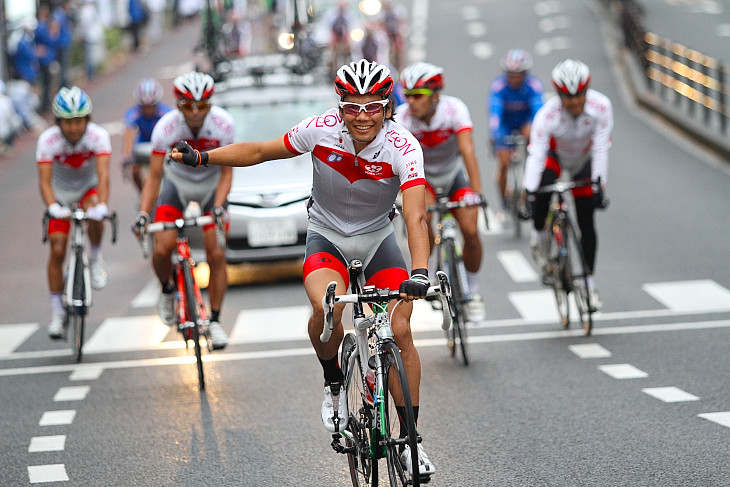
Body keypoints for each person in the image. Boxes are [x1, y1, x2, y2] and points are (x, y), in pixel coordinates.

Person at [169, 59, 437, 478]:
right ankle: (334, 387)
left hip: (378, 240)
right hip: (327, 234)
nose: (362, 116)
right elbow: (259, 151)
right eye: (353, 106)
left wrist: (419, 272)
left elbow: (416, 217)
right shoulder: (321, 129)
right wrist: (203, 157)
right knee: (327, 311)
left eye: (372, 106)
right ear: (341, 106)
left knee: (400, 330)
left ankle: (410, 442)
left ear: (387, 107)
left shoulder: (404, 147)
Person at [135, 71, 233, 350]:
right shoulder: (166, 129)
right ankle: (167, 290)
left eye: (201, 106)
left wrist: (217, 207)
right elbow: (154, 177)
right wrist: (144, 213)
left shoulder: (224, 124)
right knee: (161, 249)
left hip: (212, 186)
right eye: (188, 106)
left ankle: (214, 320)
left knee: (216, 252)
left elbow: (227, 173)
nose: (194, 112)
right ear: (178, 105)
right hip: (176, 186)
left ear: (210, 105)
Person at [397, 61, 486, 323]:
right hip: (422, 180)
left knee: (470, 230)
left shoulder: (454, 109)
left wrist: (477, 194)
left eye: (419, 96)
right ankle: (430, 271)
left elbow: (468, 150)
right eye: (408, 95)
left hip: (452, 175)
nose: (412, 102)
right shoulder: (402, 118)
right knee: (421, 222)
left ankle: (475, 291)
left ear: (435, 96)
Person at [523, 59, 612, 310]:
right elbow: (536, 153)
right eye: (567, 97)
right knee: (541, 195)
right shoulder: (547, 114)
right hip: (556, 158)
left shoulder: (601, 106)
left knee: (586, 221)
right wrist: (528, 192)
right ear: (559, 95)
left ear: (586, 91)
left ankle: (588, 285)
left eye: (579, 96)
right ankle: (539, 236)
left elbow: (602, 147)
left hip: (583, 159)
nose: (574, 102)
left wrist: (599, 186)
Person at [37, 87, 111, 339]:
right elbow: (44, 182)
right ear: (58, 122)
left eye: (78, 121)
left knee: (95, 214)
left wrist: (102, 205)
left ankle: (95, 258)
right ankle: (57, 312)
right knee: (57, 248)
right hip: (60, 192)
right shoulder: (47, 141)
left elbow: (103, 175)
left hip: (87, 188)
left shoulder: (98, 136)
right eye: (68, 122)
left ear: (87, 120)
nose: (74, 128)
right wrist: (53, 207)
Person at [488, 49, 544, 219]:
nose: (514, 78)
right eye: (510, 74)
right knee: (503, 162)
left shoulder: (534, 86)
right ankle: (504, 203)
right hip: (505, 125)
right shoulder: (498, 87)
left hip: (525, 123)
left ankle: (530, 192)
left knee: (535, 155)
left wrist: (533, 128)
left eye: (518, 74)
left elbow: (538, 112)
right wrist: (495, 133)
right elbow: (495, 114)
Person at [123, 78, 172, 193]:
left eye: (152, 106)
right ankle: (143, 192)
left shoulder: (166, 112)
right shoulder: (132, 113)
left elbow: (172, 133)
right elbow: (128, 134)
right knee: (135, 170)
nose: (148, 109)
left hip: (161, 142)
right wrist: (127, 155)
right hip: (143, 141)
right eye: (145, 106)